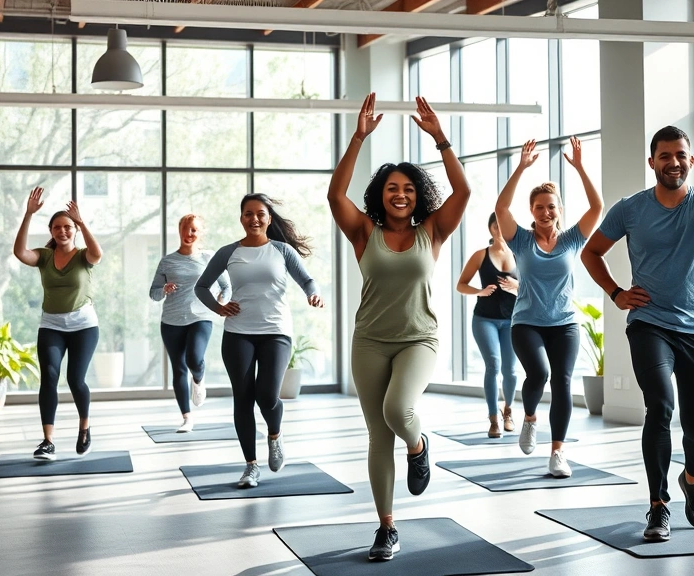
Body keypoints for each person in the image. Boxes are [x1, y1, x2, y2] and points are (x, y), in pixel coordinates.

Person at [580, 96, 694, 542]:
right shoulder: (630, 209)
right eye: (665, 156)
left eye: (680, 156)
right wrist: (617, 292)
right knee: (660, 407)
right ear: (652, 162)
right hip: (649, 323)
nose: (673, 162)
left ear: (691, 161)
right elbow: (591, 252)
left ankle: (692, 482)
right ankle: (658, 505)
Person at [327, 93, 470, 562]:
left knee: (399, 410)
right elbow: (334, 195)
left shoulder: (433, 229)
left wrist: (441, 139)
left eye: (408, 188)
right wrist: (358, 137)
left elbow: (463, 193)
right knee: (377, 436)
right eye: (392, 187)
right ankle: (386, 527)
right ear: (381, 194)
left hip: (418, 339)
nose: (400, 194)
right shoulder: (363, 232)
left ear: (417, 194)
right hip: (368, 339)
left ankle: (420, 444)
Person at [194, 193, 323, 489]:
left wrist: (312, 294)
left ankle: (274, 436)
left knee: (266, 395)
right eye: (248, 214)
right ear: (241, 218)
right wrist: (218, 307)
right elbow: (202, 287)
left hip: (276, 331)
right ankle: (251, 466)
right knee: (243, 397)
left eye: (260, 214)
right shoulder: (229, 252)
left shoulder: (281, 250)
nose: (254, 219)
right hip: (238, 332)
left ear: (269, 218)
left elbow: (307, 280)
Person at [494, 136, 603, 478]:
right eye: (539, 207)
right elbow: (501, 209)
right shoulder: (521, 240)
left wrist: (582, 168)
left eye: (551, 206)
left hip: (564, 323)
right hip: (526, 321)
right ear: (532, 211)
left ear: (559, 210)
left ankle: (557, 452)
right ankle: (529, 418)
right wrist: (521, 168)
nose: (545, 212)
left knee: (563, 382)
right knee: (538, 374)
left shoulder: (572, 239)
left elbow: (597, 207)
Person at [13, 186, 103, 461]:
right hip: (51, 325)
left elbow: (97, 253)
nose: (62, 231)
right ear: (51, 231)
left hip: (84, 326)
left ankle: (84, 428)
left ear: (73, 230)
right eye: (57, 228)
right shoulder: (44, 256)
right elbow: (19, 253)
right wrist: (28, 215)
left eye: (67, 227)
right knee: (49, 377)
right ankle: (48, 441)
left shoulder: (83, 256)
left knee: (76, 379)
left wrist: (82, 221)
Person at [149, 214, 229, 433]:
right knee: (178, 369)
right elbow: (153, 294)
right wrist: (163, 290)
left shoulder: (208, 257)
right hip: (171, 321)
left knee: (195, 358)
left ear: (200, 233)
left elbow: (226, 286)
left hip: (201, 316)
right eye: (186, 229)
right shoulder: (167, 261)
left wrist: (221, 302)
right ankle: (186, 417)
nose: (189, 234)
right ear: (180, 230)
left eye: (194, 230)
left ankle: (199, 379)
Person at [456, 213, 520, 438]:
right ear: (491, 228)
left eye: (504, 225)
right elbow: (460, 285)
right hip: (484, 319)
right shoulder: (480, 255)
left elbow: (532, 287)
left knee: (510, 371)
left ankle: (508, 411)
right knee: (493, 364)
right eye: (496, 225)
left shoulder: (519, 254)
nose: (500, 229)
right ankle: (493, 419)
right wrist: (479, 292)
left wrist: (516, 285)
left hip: (512, 321)